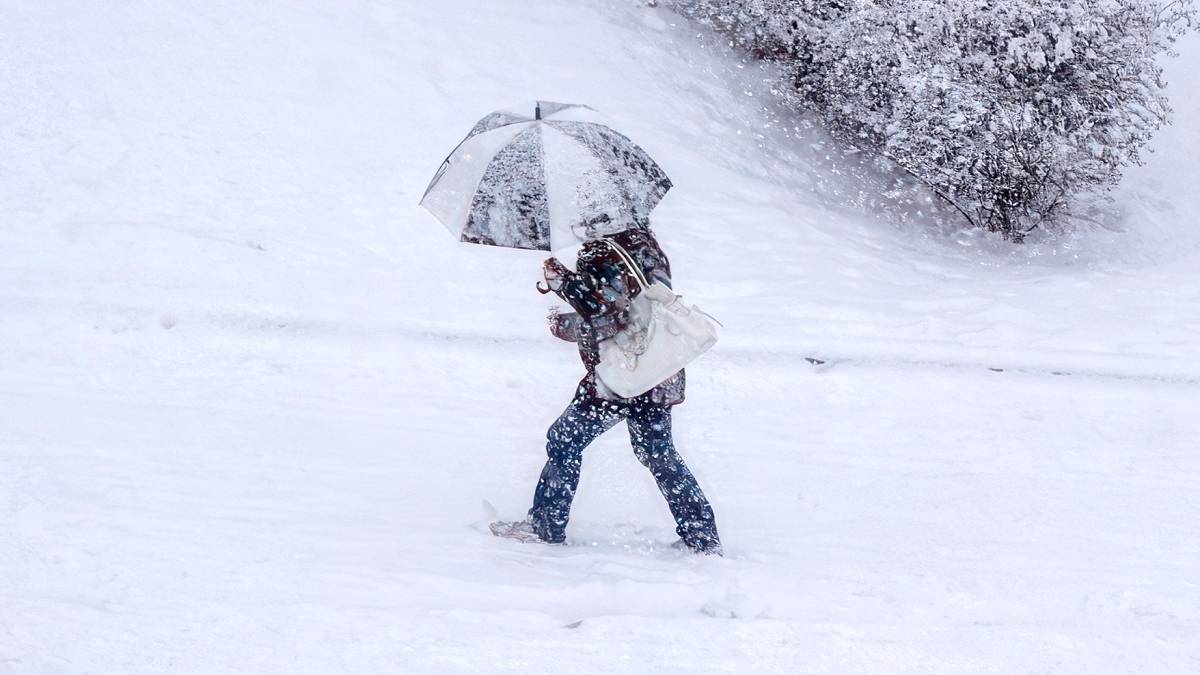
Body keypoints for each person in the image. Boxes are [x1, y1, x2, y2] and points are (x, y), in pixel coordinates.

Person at [490, 215, 722, 555]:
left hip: (619, 379)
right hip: (658, 372)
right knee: (658, 455)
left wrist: (564, 288)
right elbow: (640, 309)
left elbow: (609, 317)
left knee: (563, 440)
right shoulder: (646, 247)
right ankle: (702, 537)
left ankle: (546, 525)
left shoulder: (599, 255)